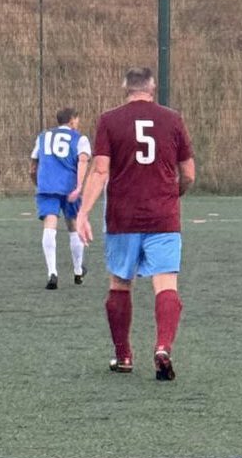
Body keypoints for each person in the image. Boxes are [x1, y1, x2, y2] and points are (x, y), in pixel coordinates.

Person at [76, 67, 195, 381]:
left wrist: (82, 213)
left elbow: (100, 171)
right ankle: (162, 346)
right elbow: (190, 174)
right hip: (163, 217)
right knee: (166, 284)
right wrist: (174, 194)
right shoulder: (173, 119)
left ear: (124, 88)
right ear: (152, 87)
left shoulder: (109, 120)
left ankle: (123, 355)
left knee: (120, 284)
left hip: (123, 216)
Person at [30, 107, 91, 289]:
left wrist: (38, 183)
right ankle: (78, 271)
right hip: (69, 188)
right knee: (74, 226)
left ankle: (52, 272)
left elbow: (33, 166)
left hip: (47, 186)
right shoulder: (80, 138)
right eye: (77, 119)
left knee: (50, 225)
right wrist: (79, 186)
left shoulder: (43, 136)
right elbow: (82, 160)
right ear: (72, 120)